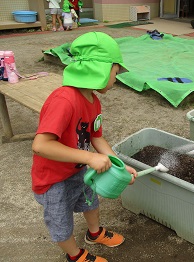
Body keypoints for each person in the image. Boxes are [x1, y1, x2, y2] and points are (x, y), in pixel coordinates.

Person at [31, 31, 137, 262]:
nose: (116, 80)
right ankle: (75, 255)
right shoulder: (64, 100)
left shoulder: (93, 100)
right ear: (101, 68)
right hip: (54, 179)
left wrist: (119, 165)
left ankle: (94, 233)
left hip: (78, 169)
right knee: (61, 220)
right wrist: (89, 158)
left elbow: (96, 138)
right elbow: (41, 145)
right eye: (116, 72)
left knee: (90, 200)